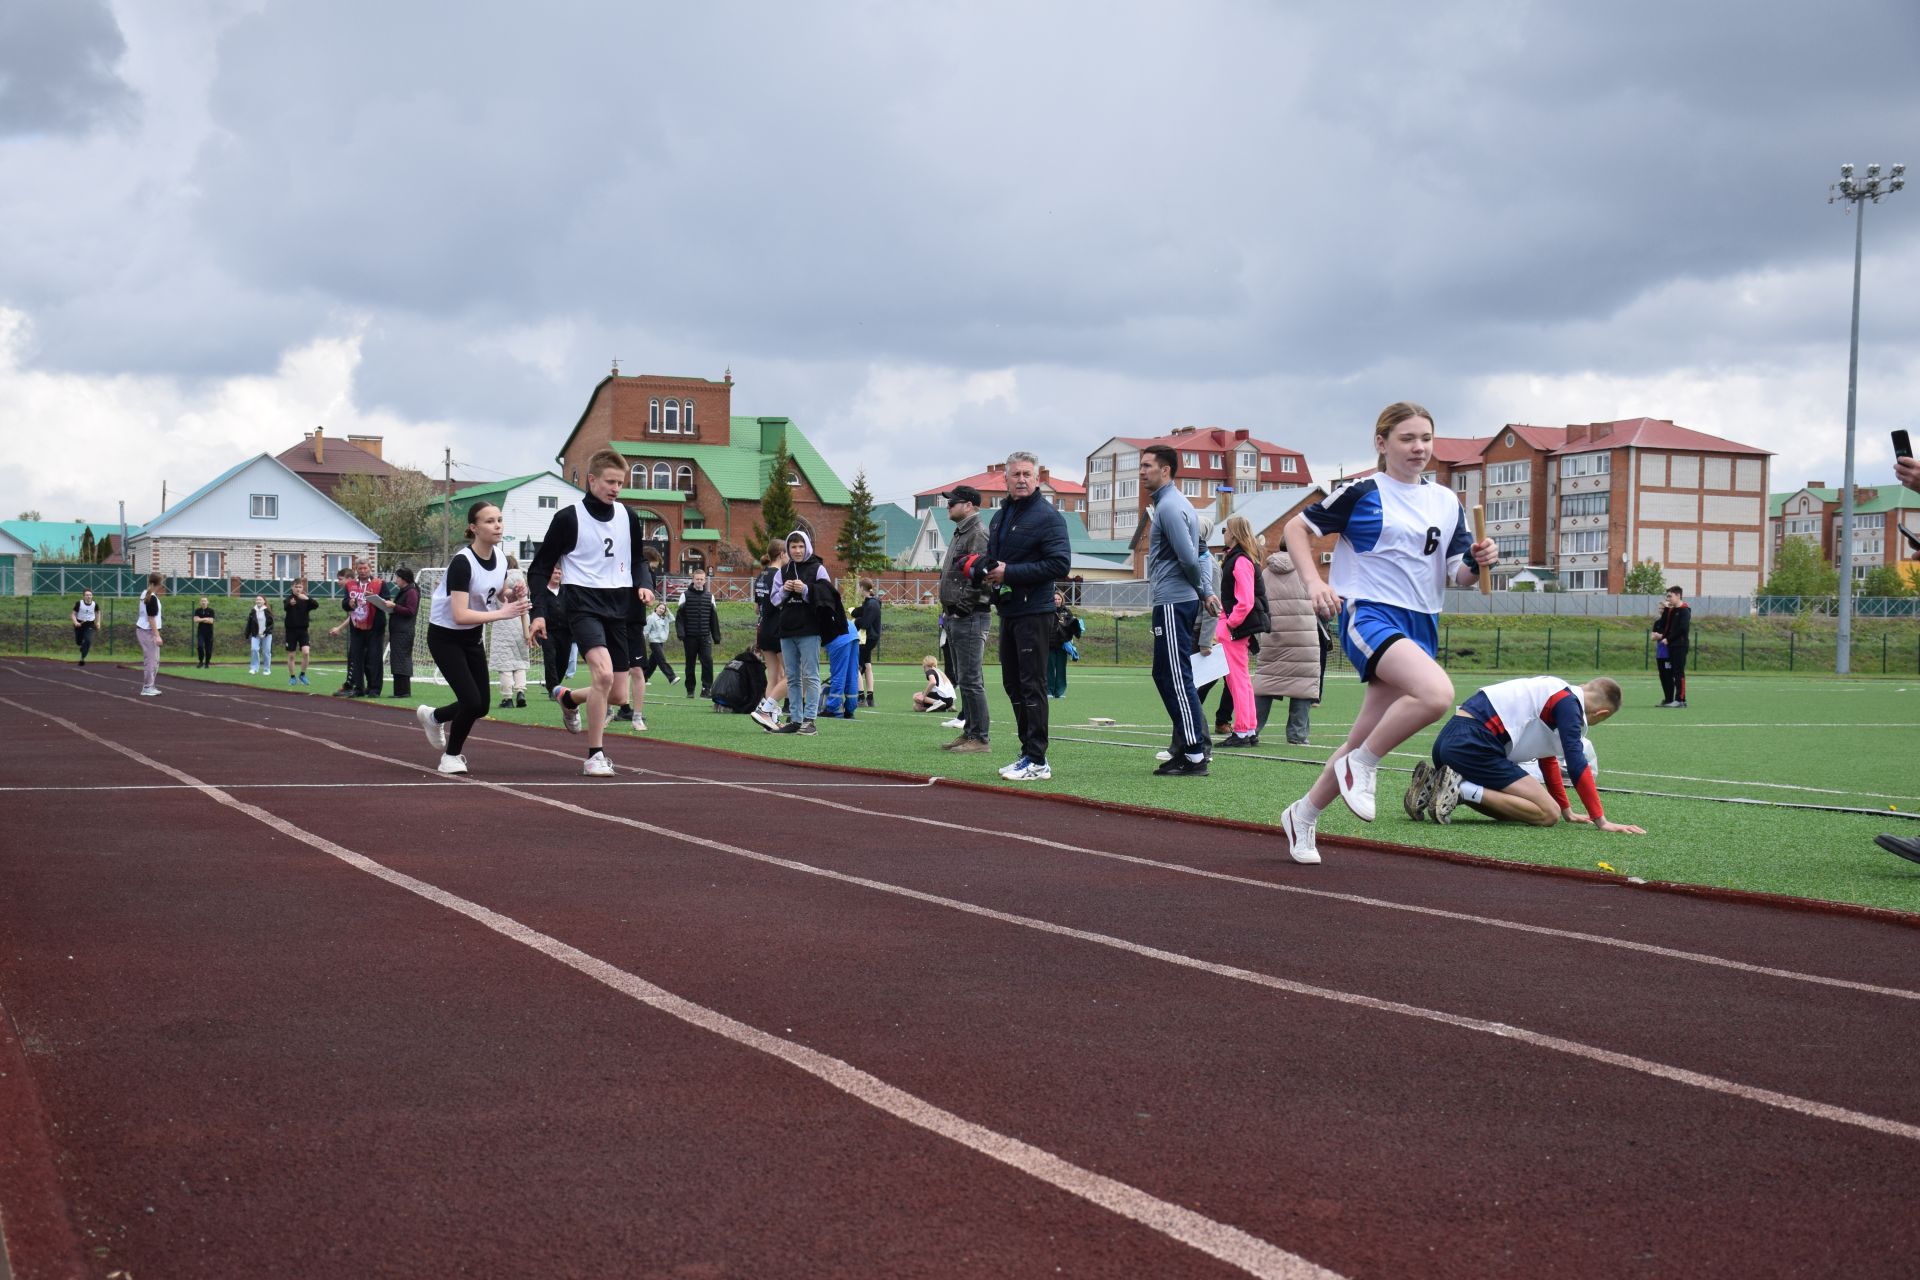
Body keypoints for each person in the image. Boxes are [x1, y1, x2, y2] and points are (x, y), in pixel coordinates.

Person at [1277, 402, 1498, 865]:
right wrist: (1315, 583)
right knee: (1437, 694)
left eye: (1426, 439)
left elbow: (1456, 574)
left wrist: (1478, 564)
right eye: (1407, 439)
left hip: (1421, 621)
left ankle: (1304, 813)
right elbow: (1296, 528)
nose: (1419, 448)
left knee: (1362, 736)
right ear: (1382, 444)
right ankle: (1365, 766)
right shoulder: (1362, 492)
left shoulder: (1446, 501)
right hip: (1368, 613)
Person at [527, 449, 657, 776]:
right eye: (610, 482)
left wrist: (644, 583)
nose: (616, 488)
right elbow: (540, 569)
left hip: (621, 606)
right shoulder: (569, 518)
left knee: (617, 693)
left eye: (621, 483)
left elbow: (639, 559)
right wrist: (538, 613)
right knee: (602, 674)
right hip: (583, 604)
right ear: (592, 479)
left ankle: (569, 699)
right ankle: (595, 755)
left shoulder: (628, 516)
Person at [1406, 675, 1644, 833]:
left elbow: (1547, 757)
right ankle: (1461, 789)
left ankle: (1437, 783)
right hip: (1474, 745)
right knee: (1546, 815)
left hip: (1449, 742)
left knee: (1522, 811)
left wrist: (1567, 810)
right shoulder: (1569, 704)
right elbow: (1576, 763)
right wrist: (1601, 820)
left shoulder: (1557, 690)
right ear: (1601, 713)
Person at [416, 502, 533, 775]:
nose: (497, 525)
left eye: (500, 520)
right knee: (470, 700)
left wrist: (511, 594)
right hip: (446, 637)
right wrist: (504, 613)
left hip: (472, 637)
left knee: (481, 705)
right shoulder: (462, 563)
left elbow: (495, 592)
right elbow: (459, 614)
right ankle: (451, 757)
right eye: (490, 521)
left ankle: (434, 717)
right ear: (474, 528)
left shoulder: (501, 558)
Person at [984, 452, 1071, 781]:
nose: (1021, 479)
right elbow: (998, 561)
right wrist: (984, 569)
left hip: (1035, 610)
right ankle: (1026, 752)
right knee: (1012, 684)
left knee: (1032, 685)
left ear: (1037, 479)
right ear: (1004, 479)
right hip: (1009, 610)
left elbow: (1059, 564)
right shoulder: (1000, 515)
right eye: (1015, 474)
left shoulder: (1048, 517)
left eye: (1027, 474)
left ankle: (1038, 759)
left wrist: (1010, 573)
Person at [1140, 445, 1221, 777]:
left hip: (1175, 601)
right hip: (1170, 601)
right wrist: (1207, 590)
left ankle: (1194, 753)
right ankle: (1188, 749)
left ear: (1166, 470)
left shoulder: (1171, 508)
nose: (1142, 471)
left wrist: (1204, 592)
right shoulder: (1171, 505)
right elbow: (1201, 552)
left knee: (1177, 676)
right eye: (1141, 465)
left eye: (1147, 466)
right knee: (1163, 674)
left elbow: (1191, 557)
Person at [936, 485, 993, 754]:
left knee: (971, 679)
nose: (948, 506)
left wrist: (961, 608)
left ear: (968, 505)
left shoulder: (978, 533)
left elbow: (984, 576)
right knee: (965, 677)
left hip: (970, 616)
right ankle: (970, 731)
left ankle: (980, 738)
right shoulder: (963, 532)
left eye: (953, 502)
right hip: (958, 615)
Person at [1249, 547, 1326, 745]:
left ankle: (1252, 729)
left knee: (1265, 683)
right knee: (1303, 685)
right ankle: (1297, 735)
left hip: (1273, 635)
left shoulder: (1265, 573)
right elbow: (1322, 604)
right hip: (1304, 639)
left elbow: (1255, 600)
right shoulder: (1305, 573)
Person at [769, 529, 836, 735]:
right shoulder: (783, 571)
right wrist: (785, 590)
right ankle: (796, 720)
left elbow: (828, 596)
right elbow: (774, 599)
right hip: (787, 629)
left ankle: (810, 720)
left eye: (801, 546)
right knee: (792, 676)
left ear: (807, 547)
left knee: (811, 675)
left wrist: (806, 590)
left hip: (810, 630)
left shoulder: (818, 569)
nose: (797, 550)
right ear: (787, 549)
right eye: (793, 546)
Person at [1211, 516, 1267, 748]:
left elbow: (1245, 600)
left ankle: (1243, 730)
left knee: (1237, 680)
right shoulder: (1242, 558)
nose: (1223, 533)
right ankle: (1249, 728)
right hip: (1234, 626)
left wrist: (1231, 623)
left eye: (1225, 530)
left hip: (1234, 627)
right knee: (1239, 680)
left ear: (1233, 533)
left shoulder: (1240, 560)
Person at [328, 560, 387, 697]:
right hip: (356, 627)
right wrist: (350, 603)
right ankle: (359, 688)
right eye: (360, 568)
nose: (362, 571)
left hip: (375, 627)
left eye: (365, 568)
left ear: (370, 569)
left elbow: (386, 601)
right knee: (357, 658)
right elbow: (344, 604)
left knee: (374, 658)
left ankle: (374, 689)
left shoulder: (380, 583)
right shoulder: (350, 585)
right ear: (356, 570)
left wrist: (373, 599)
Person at [485, 555, 532, 708]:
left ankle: (507, 698)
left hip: (503, 622)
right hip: (521, 623)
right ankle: (521, 691)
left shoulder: (499, 580)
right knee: (520, 662)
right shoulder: (522, 580)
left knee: (504, 664)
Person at [749, 548, 788, 732]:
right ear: (782, 554)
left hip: (762, 628)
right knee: (793, 676)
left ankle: (770, 721)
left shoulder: (761, 575)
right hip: (777, 629)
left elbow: (757, 608)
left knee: (774, 676)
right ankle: (765, 710)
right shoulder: (780, 575)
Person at [373, 566, 420, 698]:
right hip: (399, 631)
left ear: (404, 579)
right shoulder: (407, 590)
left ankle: (403, 691)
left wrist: (394, 606)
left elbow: (410, 611)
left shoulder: (411, 592)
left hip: (404, 632)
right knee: (397, 660)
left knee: (402, 660)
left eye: (398, 578)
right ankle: (399, 691)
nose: (396, 580)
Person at [676, 567, 722, 699]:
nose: (699, 581)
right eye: (697, 579)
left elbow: (714, 619)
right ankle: (690, 690)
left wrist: (716, 636)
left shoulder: (710, 596)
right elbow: (680, 617)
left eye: (701, 579)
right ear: (693, 579)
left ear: (705, 580)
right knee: (690, 663)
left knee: (707, 661)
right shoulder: (684, 595)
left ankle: (706, 689)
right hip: (689, 637)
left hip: (705, 637)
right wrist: (681, 633)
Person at [1652, 585, 1691, 708]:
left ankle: (1681, 699)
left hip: (1680, 645)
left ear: (1678, 595)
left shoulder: (1685, 610)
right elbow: (1664, 624)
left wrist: (1668, 639)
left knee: (1679, 672)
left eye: (1670, 596)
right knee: (1673, 673)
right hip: (1672, 646)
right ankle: (1673, 699)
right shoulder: (1671, 610)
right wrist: (1667, 610)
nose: (1668, 598)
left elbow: (1683, 629)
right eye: (1667, 596)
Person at [1045, 590, 1081, 698]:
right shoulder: (1047, 611)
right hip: (1049, 645)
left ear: (1062, 600)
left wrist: (1071, 640)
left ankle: (1059, 692)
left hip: (1062, 646)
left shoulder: (1067, 612)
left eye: (1058, 599)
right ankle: (1049, 691)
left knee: (1061, 669)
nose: (1056, 601)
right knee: (1049, 669)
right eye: (1055, 599)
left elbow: (1072, 626)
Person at [134, 571, 165, 696]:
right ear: (154, 584)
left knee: (154, 660)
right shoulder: (151, 597)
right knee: (151, 661)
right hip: (147, 631)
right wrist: (157, 636)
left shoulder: (145, 594)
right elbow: (151, 618)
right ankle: (147, 687)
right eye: (160, 584)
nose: (161, 586)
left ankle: (150, 686)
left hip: (145, 630)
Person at [283, 579, 318, 686]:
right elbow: (285, 606)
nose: (298, 589)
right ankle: (292, 677)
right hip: (291, 631)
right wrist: (290, 603)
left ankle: (302, 675)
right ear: (292, 587)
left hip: (303, 630)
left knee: (306, 652)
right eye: (296, 587)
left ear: (303, 588)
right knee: (291, 656)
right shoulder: (288, 599)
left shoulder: (305, 599)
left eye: (300, 587)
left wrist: (307, 598)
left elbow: (316, 605)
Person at [855, 580, 883, 707]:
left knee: (858, 667)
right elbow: (861, 611)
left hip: (867, 638)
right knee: (867, 664)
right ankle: (870, 698)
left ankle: (861, 698)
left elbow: (865, 623)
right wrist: (854, 612)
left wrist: (856, 622)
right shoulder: (872, 603)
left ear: (862, 588)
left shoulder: (871, 604)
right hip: (870, 638)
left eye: (859, 588)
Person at [243, 594, 275, 675]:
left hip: (266, 635)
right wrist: (247, 633)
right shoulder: (253, 611)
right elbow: (249, 623)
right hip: (255, 634)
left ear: (264, 601)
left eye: (260, 599)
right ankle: (254, 668)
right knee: (254, 649)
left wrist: (266, 632)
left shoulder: (267, 610)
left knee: (266, 652)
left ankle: (267, 670)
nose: (258, 601)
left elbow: (271, 624)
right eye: (257, 600)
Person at [72, 590, 99, 666]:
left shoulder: (95, 604)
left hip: (90, 624)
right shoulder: (79, 603)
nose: (88, 596)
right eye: (87, 595)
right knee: (78, 642)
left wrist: (98, 622)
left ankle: (82, 658)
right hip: (80, 624)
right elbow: (73, 614)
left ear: (92, 596)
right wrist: (76, 622)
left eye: (90, 595)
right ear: (84, 596)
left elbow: (98, 612)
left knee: (88, 640)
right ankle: (82, 647)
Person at [192, 596, 216, 668]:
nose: (203, 602)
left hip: (209, 632)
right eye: (202, 601)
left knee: (208, 649)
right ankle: (201, 661)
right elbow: (195, 620)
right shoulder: (197, 610)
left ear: (207, 602)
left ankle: (207, 663)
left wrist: (201, 619)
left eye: (205, 601)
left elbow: (211, 621)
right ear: (200, 602)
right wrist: (206, 618)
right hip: (201, 632)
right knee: (200, 646)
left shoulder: (211, 611)